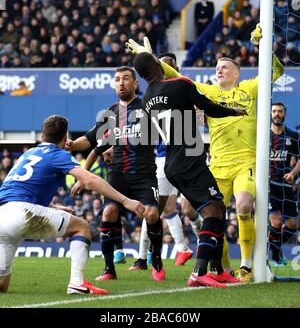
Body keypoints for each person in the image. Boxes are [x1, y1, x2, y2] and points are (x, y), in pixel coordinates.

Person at [158, 24, 285, 281]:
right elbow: (183, 81)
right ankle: (223, 269)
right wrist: (152, 61)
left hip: (245, 162)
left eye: (224, 67)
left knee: (244, 204)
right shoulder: (211, 92)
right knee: (205, 214)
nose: (219, 70)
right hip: (217, 164)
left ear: (236, 73)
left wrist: (262, 48)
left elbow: (277, 70)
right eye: (217, 68)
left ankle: (247, 265)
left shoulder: (249, 89)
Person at [133, 51, 247, 287]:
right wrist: (234, 111)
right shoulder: (179, 84)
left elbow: (148, 134)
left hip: (173, 162)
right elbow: (209, 107)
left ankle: (216, 269)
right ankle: (198, 272)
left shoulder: (146, 98)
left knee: (218, 208)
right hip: (189, 159)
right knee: (212, 213)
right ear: (157, 66)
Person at [0, 115, 144, 294]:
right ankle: (77, 283)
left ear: (42, 136)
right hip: (22, 214)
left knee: (1, 286)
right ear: (65, 138)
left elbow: (18, 192)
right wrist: (126, 200)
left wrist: (54, 208)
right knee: (82, 227)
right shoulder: (57, 154)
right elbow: (89, 179)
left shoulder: (27, 154)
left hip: (3, 215)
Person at [66, 66, 165, 282]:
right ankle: (109, 268)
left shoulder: (147, 108)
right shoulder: (109, 114)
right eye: (117, 79)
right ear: (114, 84)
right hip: (117, 175)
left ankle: (156, 258)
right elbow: (90, 140)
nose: (121, 83)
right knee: (108, 213)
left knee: (152, 215)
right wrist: (72, 144)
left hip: (144, 174)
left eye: (126, 79)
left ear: (135, 84)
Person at [269, 102, 300, 266]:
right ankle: (274, 255)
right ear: (270, 113)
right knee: (275, 222)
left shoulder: (293, 136)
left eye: (280, 111)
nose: (277, 114)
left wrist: (293, 173)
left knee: (293, 225)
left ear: (285, 114)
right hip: (269, 186)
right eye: (274, 111)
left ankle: (274, 246)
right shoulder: (264, 136)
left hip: (286, 185)